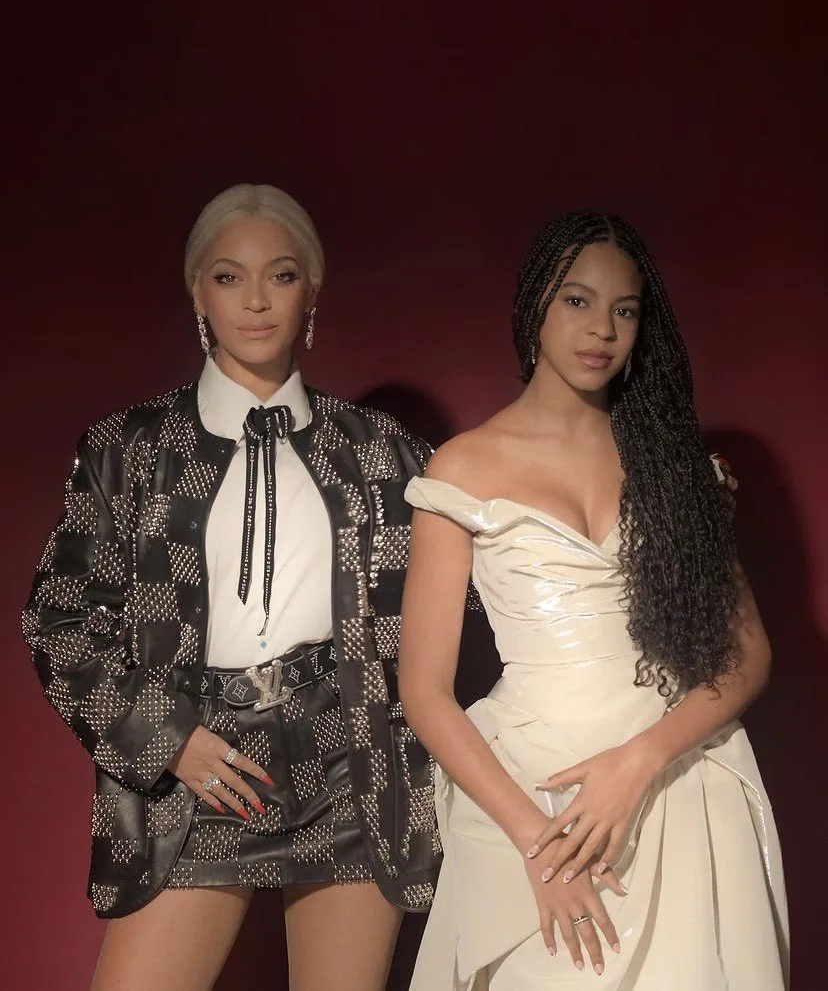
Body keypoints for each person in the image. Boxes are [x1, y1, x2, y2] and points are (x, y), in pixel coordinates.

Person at [22, 183, 442, 991]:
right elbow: (59, 620)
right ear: (197, 293)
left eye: (281, 275)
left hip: (349, 763)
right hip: (199, 758)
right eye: (228, 276)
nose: (255, 300)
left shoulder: (383, 450)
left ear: (311, 291)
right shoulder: (129, 449)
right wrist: (166, 738)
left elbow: (466, 589)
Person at [398, 212, 788, 990]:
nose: (602, 329)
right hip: (530, 792)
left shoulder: (680, 468)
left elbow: (748, 657)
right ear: (535, 305)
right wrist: (537, 844)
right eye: (577, 300)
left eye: (625, 309)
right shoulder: (462, 468)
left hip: (678, 782)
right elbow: (424, 691)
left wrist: (638, 762)